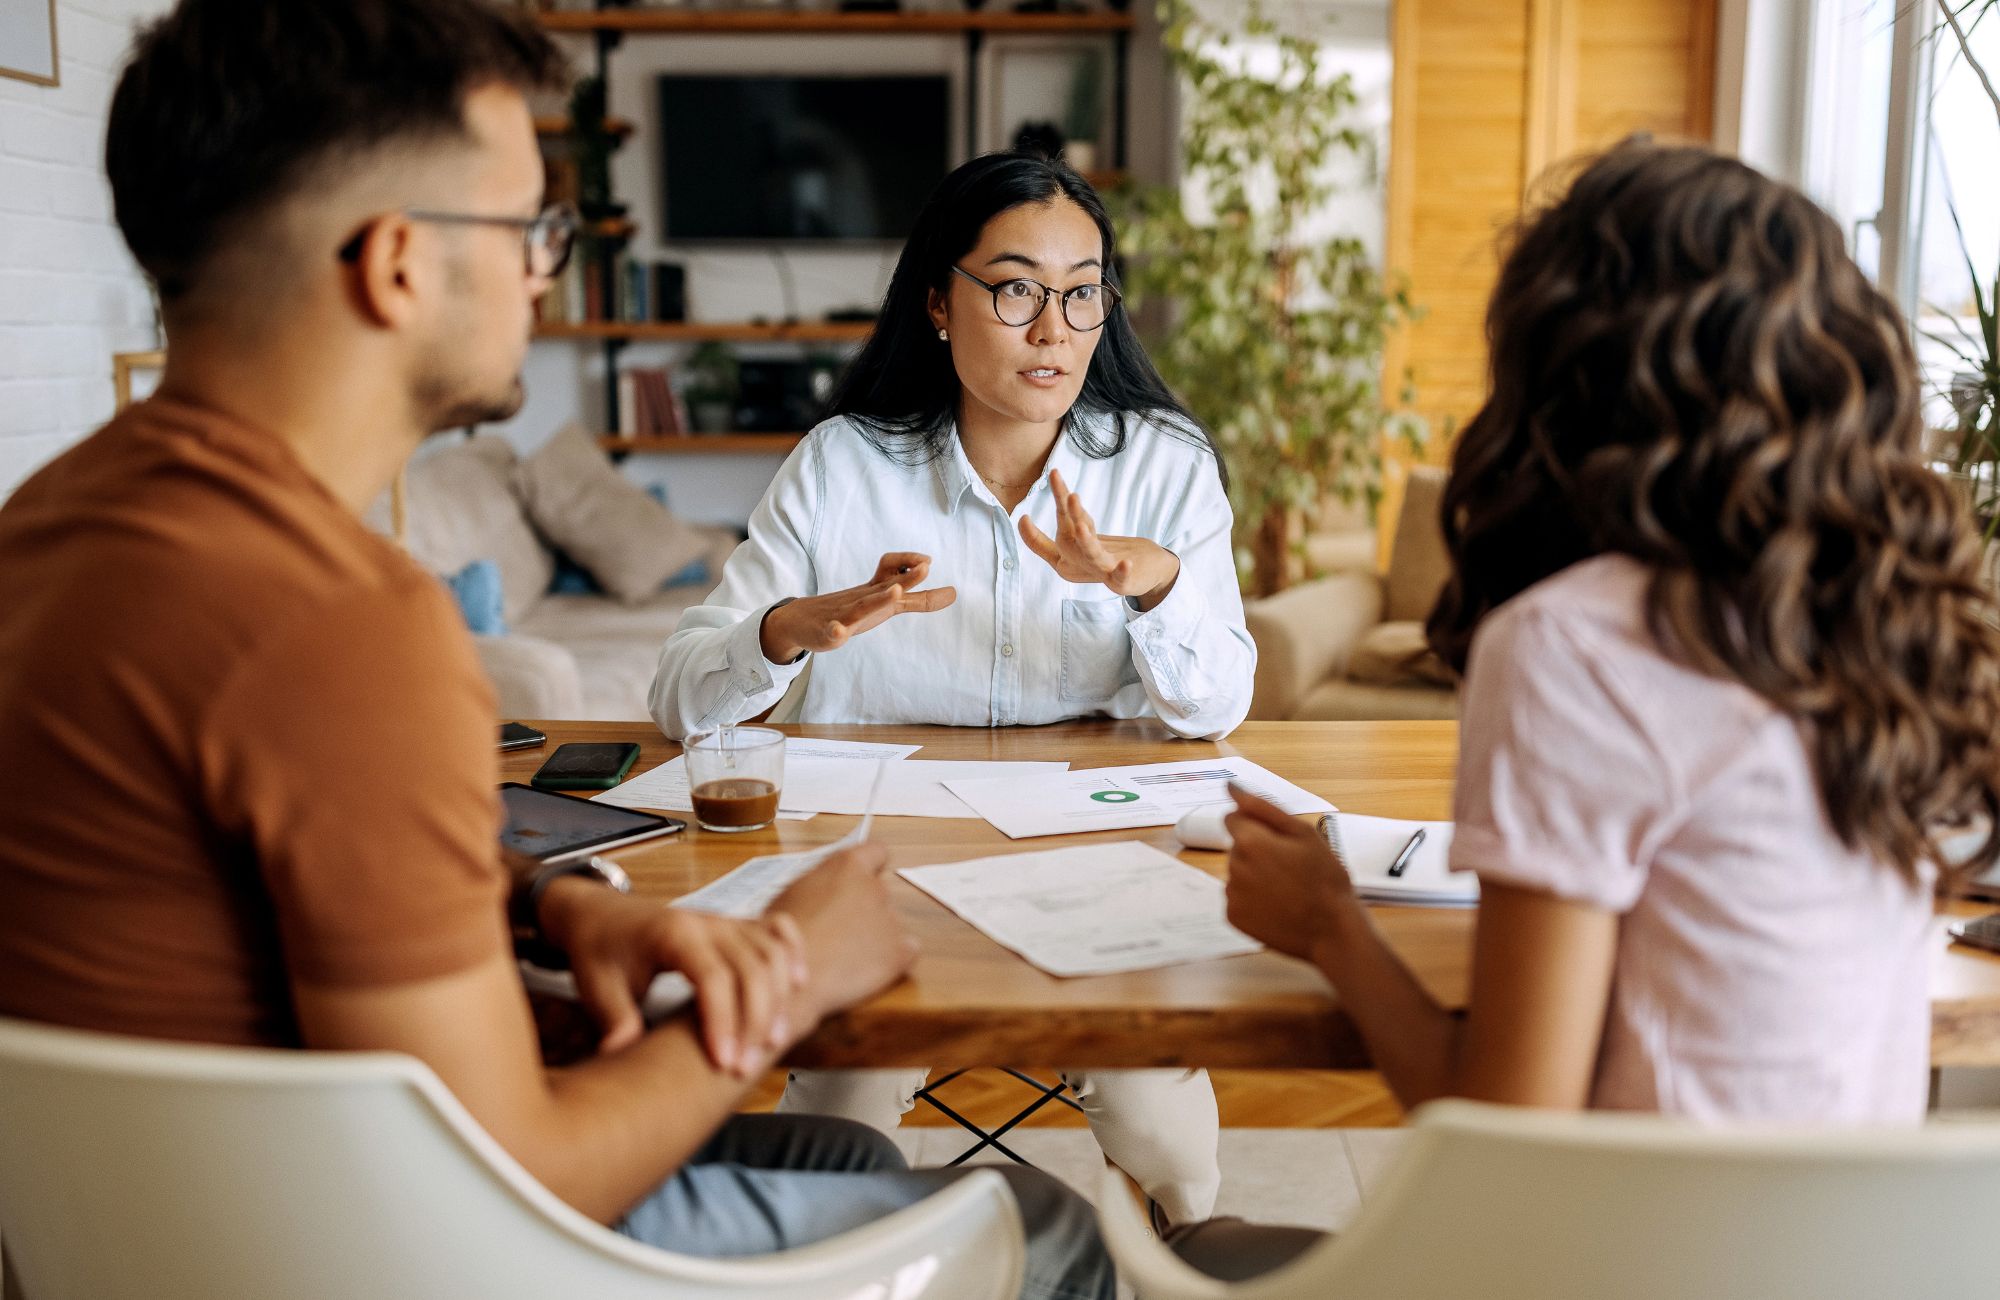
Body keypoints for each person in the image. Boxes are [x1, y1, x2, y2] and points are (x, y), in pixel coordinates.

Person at [0, 5, 1112, 1297]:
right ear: (398, 262)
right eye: (532, 227)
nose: (546, 272)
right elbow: (514, 1182)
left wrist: (547, 902)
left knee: (843, 1151)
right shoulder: (342, 624)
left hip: (168, 1231)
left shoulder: (48, 527)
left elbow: (271, 876)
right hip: (360, 1255)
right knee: (1040, 1224)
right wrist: (802, 969)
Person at [1186, 138, 2000, 1277]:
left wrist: (1329, 925)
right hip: (1847, 1268)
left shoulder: (1577, 638)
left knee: (1153, 1249)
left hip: (1624, 1265)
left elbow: (1511, 1139)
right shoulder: (1885, 616)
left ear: (1565, 365)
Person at [648, 152, 1255, 1226]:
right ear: (938, 300)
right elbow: (681, 702)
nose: (1053, 326)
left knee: (1162, 1132)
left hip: (1095, 866)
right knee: (838, 1120)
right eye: (1015, 287)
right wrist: (793, 628)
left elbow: (1212, 712)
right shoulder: (841, 465)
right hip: (881, 870)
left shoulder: (1163, 462)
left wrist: (1148, 580)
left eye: (1080, 292)